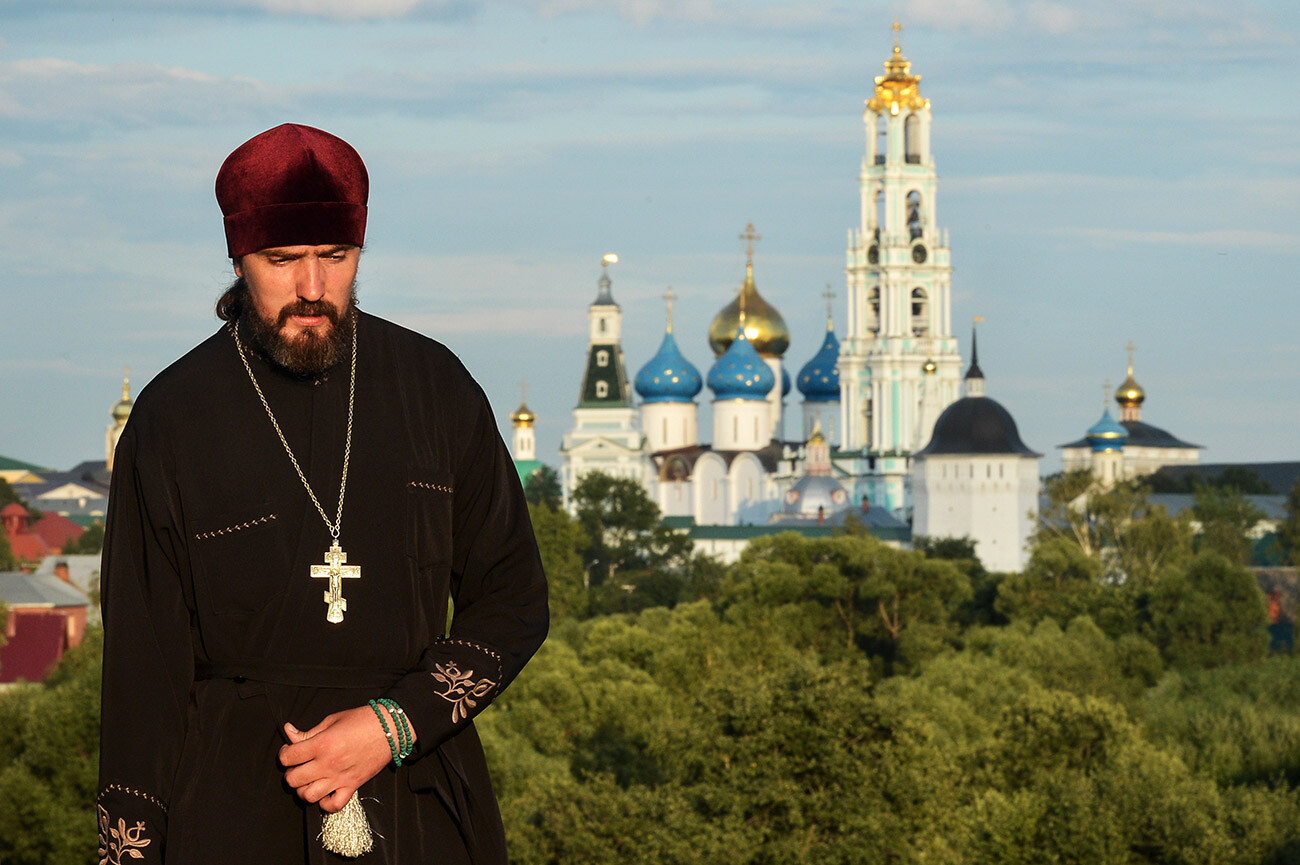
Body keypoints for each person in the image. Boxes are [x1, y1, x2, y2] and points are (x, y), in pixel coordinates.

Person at [97, 123, 549, 863]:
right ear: (239, 258)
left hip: (418, 802)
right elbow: (142, 679)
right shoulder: (171, 419)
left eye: (334, 258)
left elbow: (515, 598)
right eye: (283, 260)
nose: (312, 288)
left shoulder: (436, 388)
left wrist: (394, 723)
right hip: (232, 813)